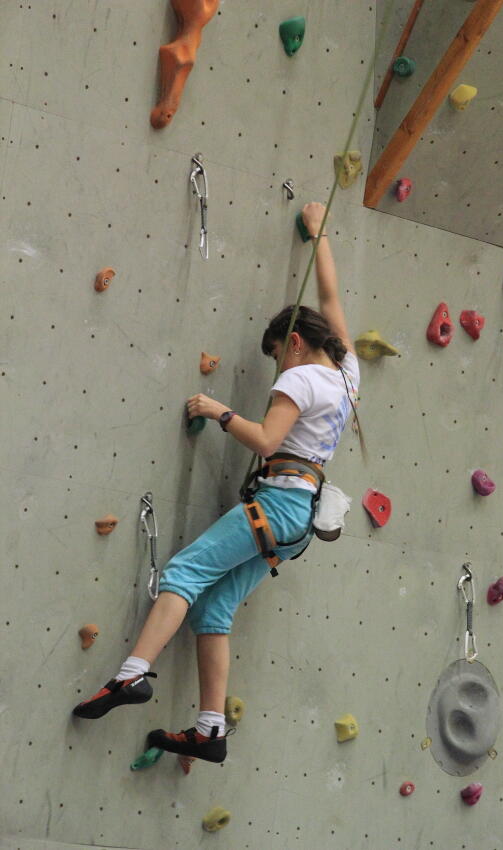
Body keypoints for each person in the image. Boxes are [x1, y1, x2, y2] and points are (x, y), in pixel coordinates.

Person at [73, 202, 361, 766]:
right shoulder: (347, 376)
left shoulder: (302, 378)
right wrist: (319, 233)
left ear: (294, 343)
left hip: (279, 504)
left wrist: (219, 411)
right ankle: (210, 728)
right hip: (299, 523)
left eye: (277, 355)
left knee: (184, 573)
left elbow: (267, 441)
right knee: (216, 609)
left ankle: (132, 673)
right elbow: (331, 300)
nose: (278, 367)